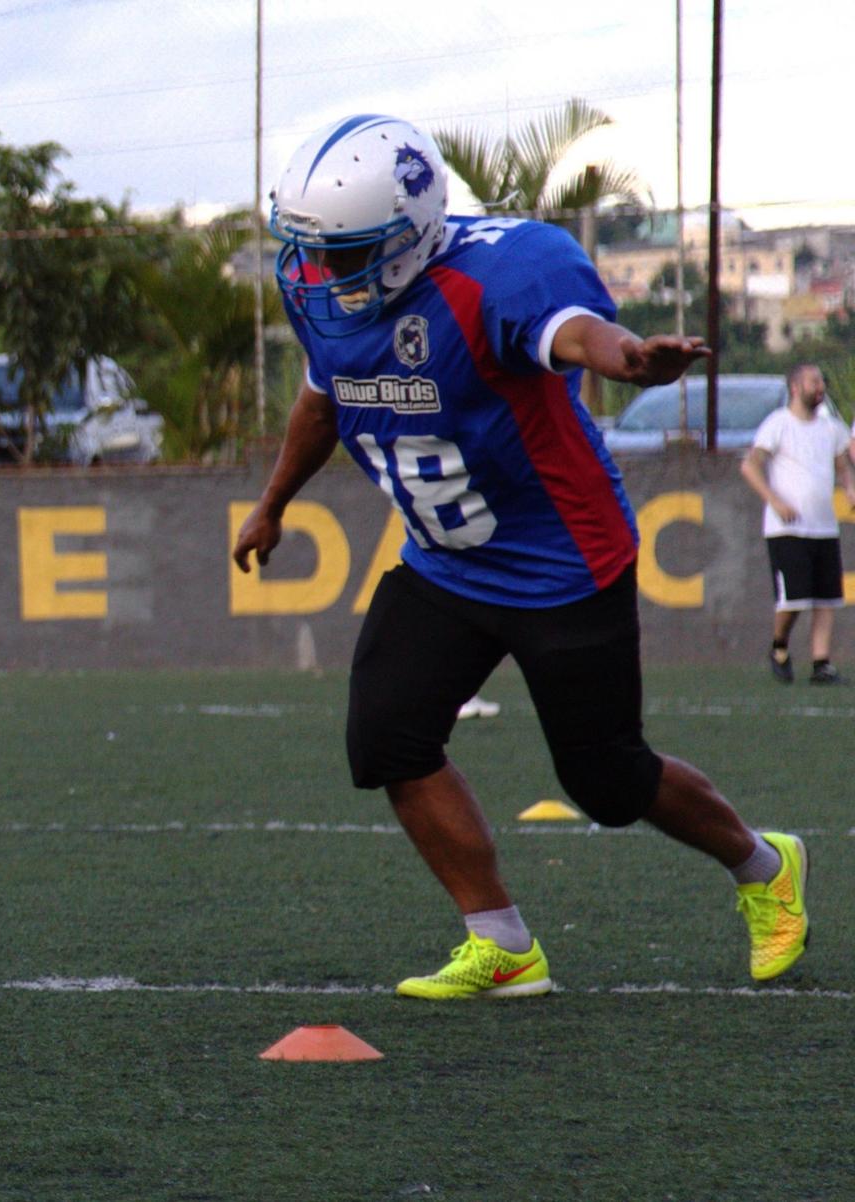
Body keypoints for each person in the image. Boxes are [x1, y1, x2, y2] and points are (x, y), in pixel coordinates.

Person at [232, 114, 808, 999]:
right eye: (310, 249)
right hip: (446, 563)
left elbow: (580, 333)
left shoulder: (495, 274)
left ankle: (763, 866)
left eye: (343, 252)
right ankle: (501, 941)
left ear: (406, 237)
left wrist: (630, 361)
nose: (319, 272)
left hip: (560, 563)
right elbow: (322, 398)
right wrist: (272, 503)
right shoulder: (323, 292)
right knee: (387, 735)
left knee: (608, 781)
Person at [740, 363, 854, 684]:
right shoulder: (778, 424)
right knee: (794, 599)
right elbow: (750, 467)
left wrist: (849, 487)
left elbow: (843, 464)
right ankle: (779, 645)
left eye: (821, 381)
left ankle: (822, 664)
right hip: (786, 528)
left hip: (824, 527)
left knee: (827, 598)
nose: (820, 387)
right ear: (795, 387)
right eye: (813, 381)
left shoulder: (831, 427)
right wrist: (775, 501)